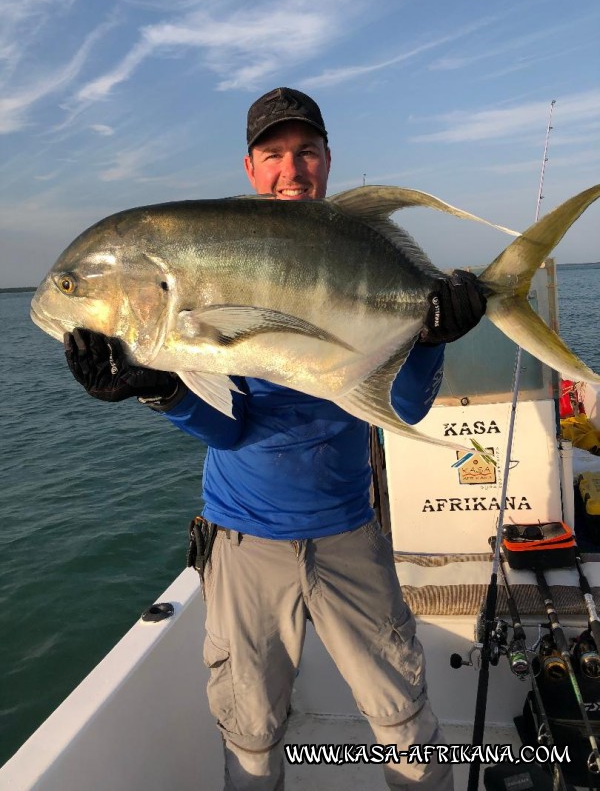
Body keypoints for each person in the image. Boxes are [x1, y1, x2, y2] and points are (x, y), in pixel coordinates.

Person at [64, 87, 486, 790]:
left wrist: (432, 338)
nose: (292, 170)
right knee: (251, 734)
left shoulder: (359, 253)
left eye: (306, 153)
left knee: (404, 721)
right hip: (243, 542)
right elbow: (228, 429)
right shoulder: (219, 263)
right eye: (274, 156)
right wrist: (158, 387)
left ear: (326, 161)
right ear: (251, 169)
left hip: (350, 532)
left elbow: (405, 407)